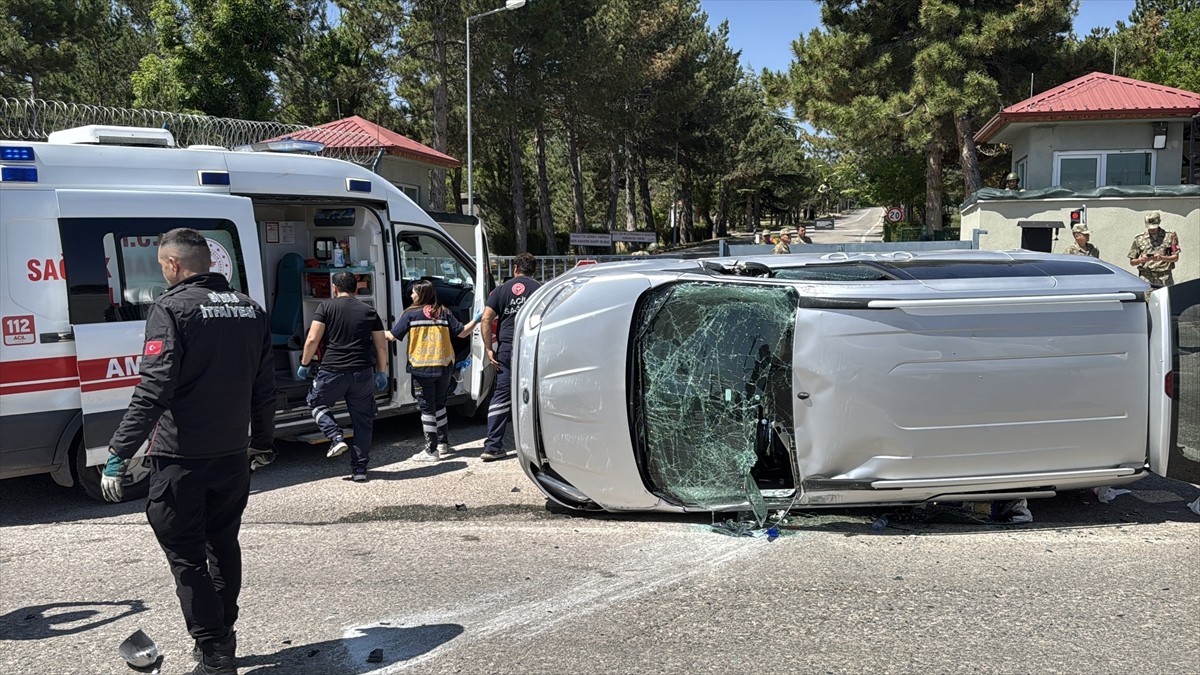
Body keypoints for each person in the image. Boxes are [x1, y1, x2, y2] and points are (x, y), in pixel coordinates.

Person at [100, 228, 276, 675]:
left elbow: (154, 386)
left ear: (174, 265)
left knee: (186, 557)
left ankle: (215, 652)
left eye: (162, 266)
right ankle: (224, 637)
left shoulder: (172, 307)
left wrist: (119, 451)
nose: (163, 273)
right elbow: (264, 386)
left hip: (182, 459)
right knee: (223, 545)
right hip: (233, 455)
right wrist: (263, 442)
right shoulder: (250, 309)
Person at [297, 271, 388, 481]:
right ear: (356, 289)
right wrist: (381, 372)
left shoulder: (326, 307)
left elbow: (312, 339)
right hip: (362, 373)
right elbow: (381, 346)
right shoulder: (369, 311)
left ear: (335, 288)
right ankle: (360, 471)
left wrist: (305, 363)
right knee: (363, 421)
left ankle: (335, 435)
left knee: (316, 403)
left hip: (332, 371)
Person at [386, 280, 483, 462]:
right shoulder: (443, 312)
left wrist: (373, 332)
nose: (411, 296)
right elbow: (462, 332)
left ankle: (431, 451)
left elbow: (392, 335)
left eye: (414, 293)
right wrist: (476, 320)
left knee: (426, 408)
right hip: (444, 367)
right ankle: (443, 443)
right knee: (440, 405)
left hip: (422, 369)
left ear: (421, 295)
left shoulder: (410, 314)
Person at [479, 253, 542, 462]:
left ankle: (492, 446)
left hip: (507, 348)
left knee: (501, 395)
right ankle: (537, 446)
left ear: (515, 269)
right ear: (533, 270)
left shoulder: (500, 290)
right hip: (532, 348)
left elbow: (486, 319)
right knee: (534, 395)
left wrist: (489, 348)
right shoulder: (540, 290)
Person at [1128, 211, 1180, 287]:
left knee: (1166, 299)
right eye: (1149, 227)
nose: (1152, 229)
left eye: (1154, 227)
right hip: (1146, 278)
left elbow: (1175, 258)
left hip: (1164, 278)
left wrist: (1162, 258)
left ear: (1159, 222)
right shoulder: (1139, 238)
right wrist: (1141, 260)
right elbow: (1132, 262)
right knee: (1146, 299)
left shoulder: (1170, 236)